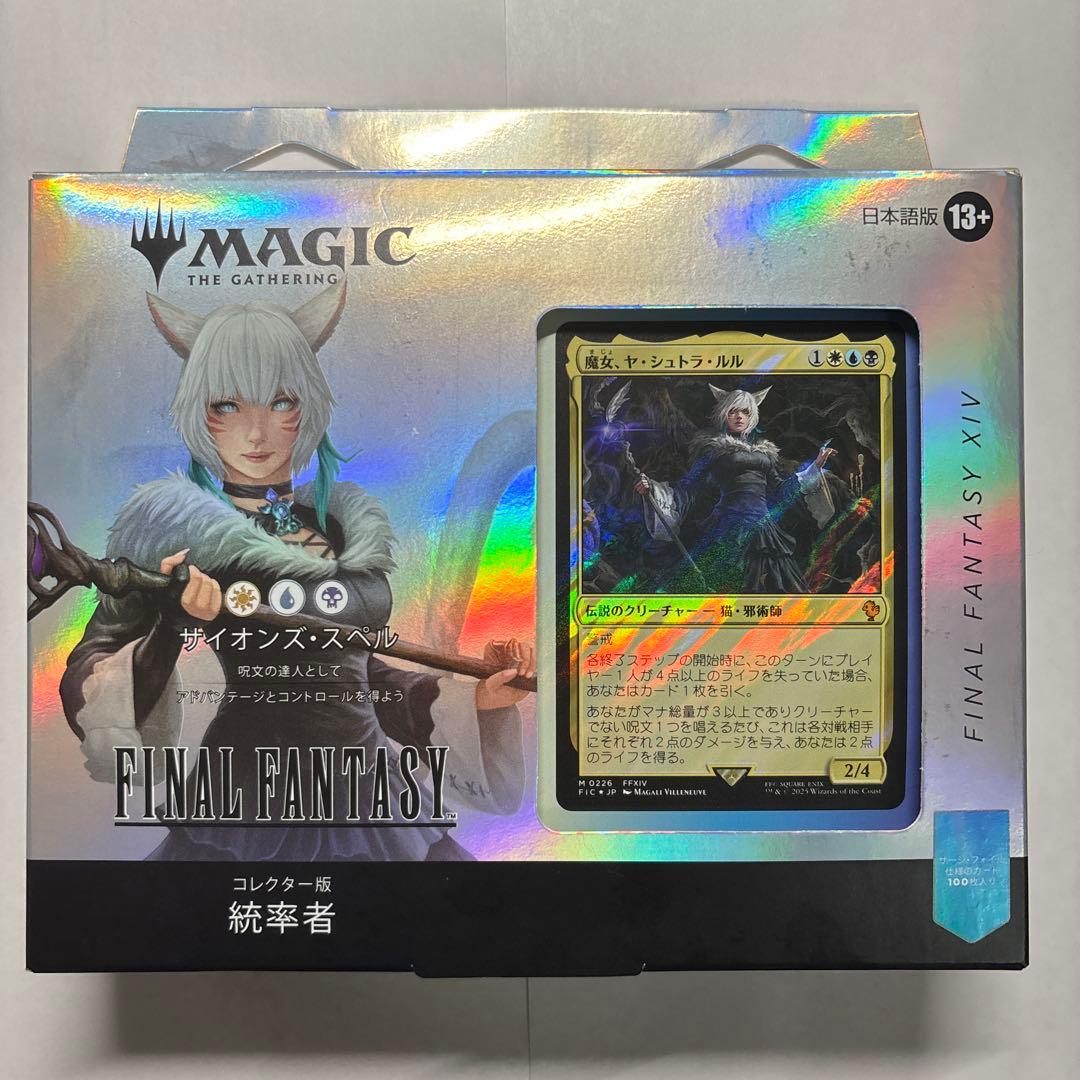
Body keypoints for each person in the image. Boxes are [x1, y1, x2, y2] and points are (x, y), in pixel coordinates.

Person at [59, 281, 528, 861]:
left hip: (366, 788)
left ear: (307, 406)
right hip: (245, 794)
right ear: (198, 410)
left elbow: (357, 673)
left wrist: (475, 700)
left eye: (280, 402)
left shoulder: (339, 524)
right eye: (226, 405)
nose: (255, 432)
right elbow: (92, 668)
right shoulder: (167, 530)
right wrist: (171, 627)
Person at [632, 385, 836, 594]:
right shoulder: (713, 449)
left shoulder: (765, 452)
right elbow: (689, 486)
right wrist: (653, 489)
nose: (739, 416)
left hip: (763, 528)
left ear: (752, 416)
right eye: (733, 411)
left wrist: (814, 467)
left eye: (745, 412)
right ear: (724, 414)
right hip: (728, 525)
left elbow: (782, 490)